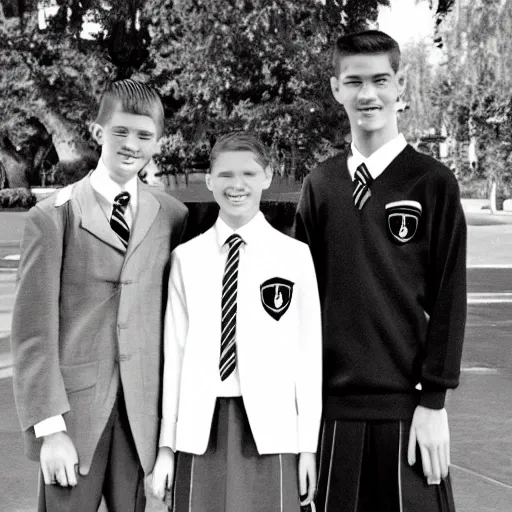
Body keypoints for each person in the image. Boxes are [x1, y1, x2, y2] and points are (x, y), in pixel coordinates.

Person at [294, 30, 467, 512]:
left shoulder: (433, 182)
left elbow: (450, 297)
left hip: (408, 411)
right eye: (354, 81)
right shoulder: (321, 184)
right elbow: (303, 306)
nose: (367, 94)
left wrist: (434, 403)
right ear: (336, 89)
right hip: (332, 414)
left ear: (400, 85)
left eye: (379, 80)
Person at [11, 79, 188, 512]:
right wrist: (49, 430)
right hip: (73, 420)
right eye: (120, 131)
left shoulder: (172, 216)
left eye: (144, 135)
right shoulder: (53, 217)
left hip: (142, 420)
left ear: (158, 142)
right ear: (97, 133)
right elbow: (33, 334)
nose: (132, 144)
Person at [151, 132, 322, 512]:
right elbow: (174, 357)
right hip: (200, 428)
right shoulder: (186, 259)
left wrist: (307, 446)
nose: (237, 184)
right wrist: (167, 445)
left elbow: (308, 357)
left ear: (267, 176)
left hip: (272, 430)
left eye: (248, 172)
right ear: (209, 180)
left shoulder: (294, 257)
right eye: (225, 175)